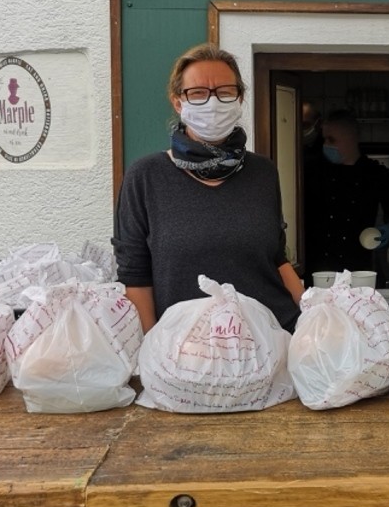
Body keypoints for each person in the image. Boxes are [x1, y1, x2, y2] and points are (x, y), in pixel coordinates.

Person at [113, 44, 303, 332]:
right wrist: (150, 347)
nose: (213, 103)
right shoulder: (146, 176)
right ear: (178, 102)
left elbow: (276, 257)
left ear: (240, 98)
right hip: (187, 348)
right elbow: (135, 276)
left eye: (225, 92)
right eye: (198, 93)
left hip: (271, 340)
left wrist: (312, 314)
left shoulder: (263, 172)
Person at [304, 109, 389, 282]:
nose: (326, 145)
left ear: (350, 139)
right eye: (324, 139)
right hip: (319, 269)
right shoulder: (313, 171)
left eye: (331, 140)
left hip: (358, 266)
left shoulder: (375, 173)